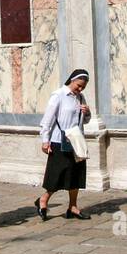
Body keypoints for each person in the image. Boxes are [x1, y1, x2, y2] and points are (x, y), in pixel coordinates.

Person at [35, 70, 92, 221]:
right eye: (79, 85)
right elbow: (48, 119)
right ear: (72, 80)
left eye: (83, 87)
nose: (80, 89)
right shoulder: (58, 95)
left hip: (77, 141)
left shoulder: (80, 97)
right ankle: (43, 200)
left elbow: (85, 121)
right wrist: (45, 140)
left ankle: (73, 206)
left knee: (76, 174)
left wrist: (87, 112)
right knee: (57, 174)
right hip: (59, 141)